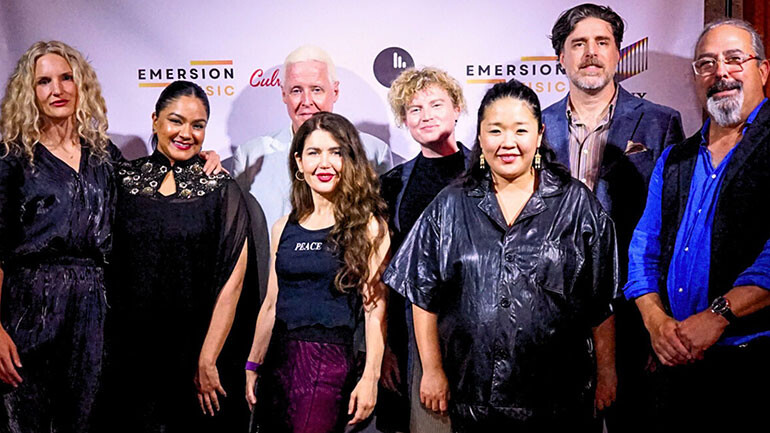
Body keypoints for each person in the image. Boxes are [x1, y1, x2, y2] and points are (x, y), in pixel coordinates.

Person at [384, 79, 618, 432]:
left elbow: (601, 299)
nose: (508, 143)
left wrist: (607, 370)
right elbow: (423, 295)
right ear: (480, 136)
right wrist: (432, 370)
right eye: (495, 131)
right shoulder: (450, 205)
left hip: (560, 399)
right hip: (472, 399)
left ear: (539, 135)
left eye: (520, 130)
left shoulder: (576, 204)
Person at [542, 4, 684, 430]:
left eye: (602, 42)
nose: (591, 53)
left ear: (618, 53)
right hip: (553, 312)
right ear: (560, 58)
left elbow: (673, 226)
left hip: (634, 308)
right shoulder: (535, 126)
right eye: (578, 44)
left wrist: (660, 316)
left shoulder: (661, 123)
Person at [624, 19, 770, 432]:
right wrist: (656, 323)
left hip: (752, 364)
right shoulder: (675, 159)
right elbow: (643, 249)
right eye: (706, 63)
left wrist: (718, 315)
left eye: (734, 59)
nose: (720, 72)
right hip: (677, 369)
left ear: (763, 69)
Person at [98, 80, 253, 432]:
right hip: (127, 355)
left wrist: (208, 357)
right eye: (175, 121)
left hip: (194, 353)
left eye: (197, 125)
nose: (186, 133)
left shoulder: (220, 188)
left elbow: (233, 282)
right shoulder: (122, 180)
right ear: (155, 121)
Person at [0, 40, 118, 433]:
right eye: (44, 81)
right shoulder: (13, 158)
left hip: (93, 309)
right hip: (29, 307)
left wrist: (199, 164)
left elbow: (151, 195)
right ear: (28, 93)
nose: (58, 90)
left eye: (66, 78)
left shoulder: (104, 155)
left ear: (80, 84)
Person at [244, 112, 389, 433]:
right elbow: (271, 303)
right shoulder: (283, 227)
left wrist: (371, 378)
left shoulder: (368, 226)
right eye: (314, 152)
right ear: (298, 161)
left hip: (329, 364)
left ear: (350, 159)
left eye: (336, 152)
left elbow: (375, 310)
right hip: (277, 362)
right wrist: (252, 363)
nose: (325, 163)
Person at [378, 67, 471, 433]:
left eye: (436, 104)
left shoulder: (487, 172)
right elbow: (383, 271)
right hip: (409, 335)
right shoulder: (393, 185)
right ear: (404, 120)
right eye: (414, 109)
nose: (426, 115)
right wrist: (385, 347)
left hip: (476, 332)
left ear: (456, 109)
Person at [233, 45, 393, 233]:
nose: (307, 101)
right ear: (283, 93)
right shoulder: (250, 156)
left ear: (335, 92)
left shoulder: (373, 152)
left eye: (316, 90)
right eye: (296, 90)